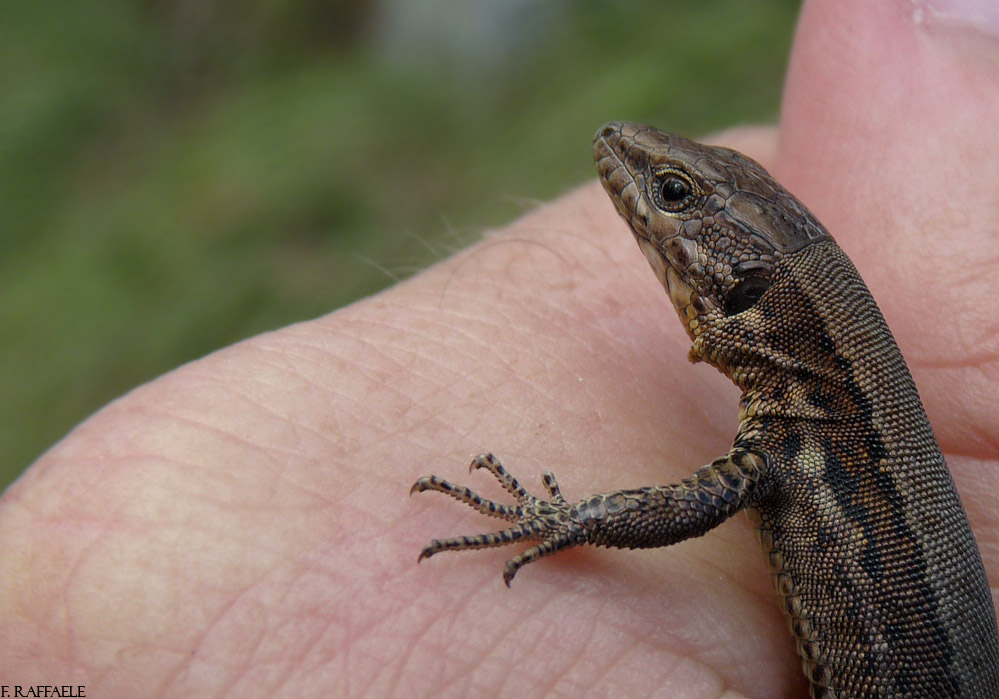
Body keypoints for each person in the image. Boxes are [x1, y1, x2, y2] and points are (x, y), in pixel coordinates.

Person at [3, 0, 996, 695]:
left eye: (674, 198)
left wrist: (558, 518)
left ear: (742, 289)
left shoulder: (801, 441)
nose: (632, 163)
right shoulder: (805, 427)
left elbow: (689, 505)